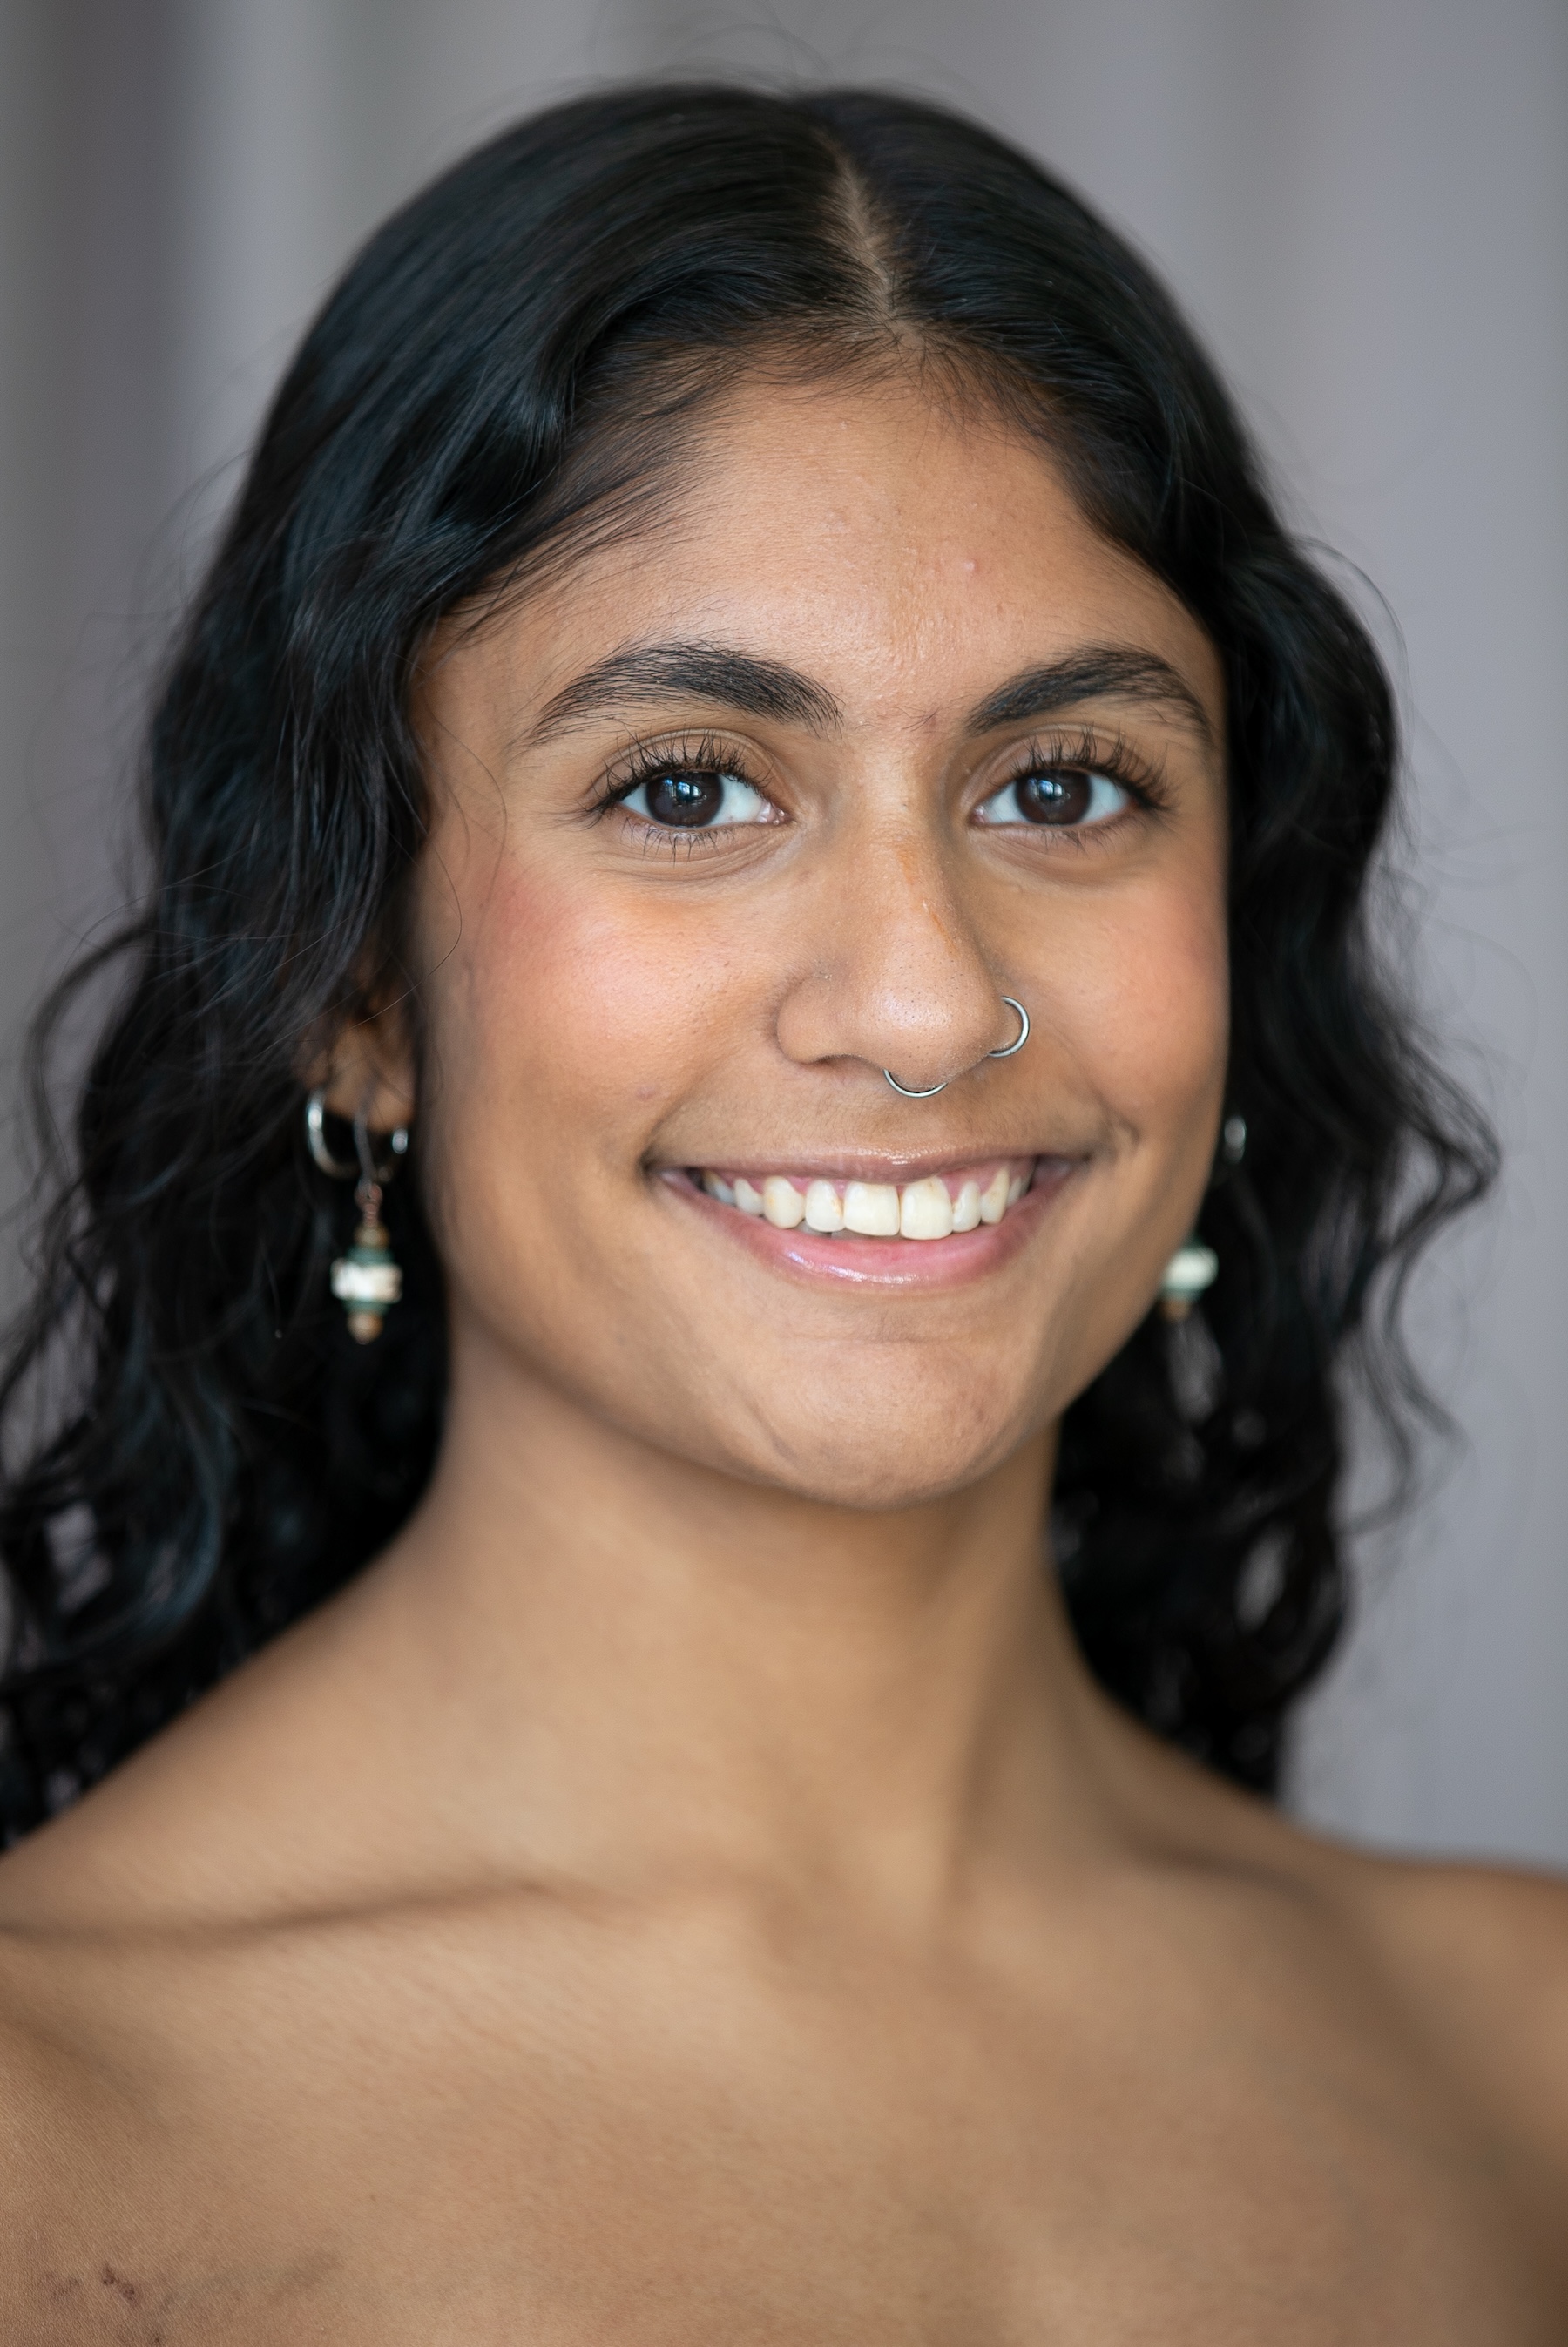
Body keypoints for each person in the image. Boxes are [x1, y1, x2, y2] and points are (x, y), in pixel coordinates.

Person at [0, 81, 1563, 2341]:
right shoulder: (50, 2141)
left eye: (1064, 784)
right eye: (689, 787)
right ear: (353, 989)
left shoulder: (1525, 2070)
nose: (927, 1001)